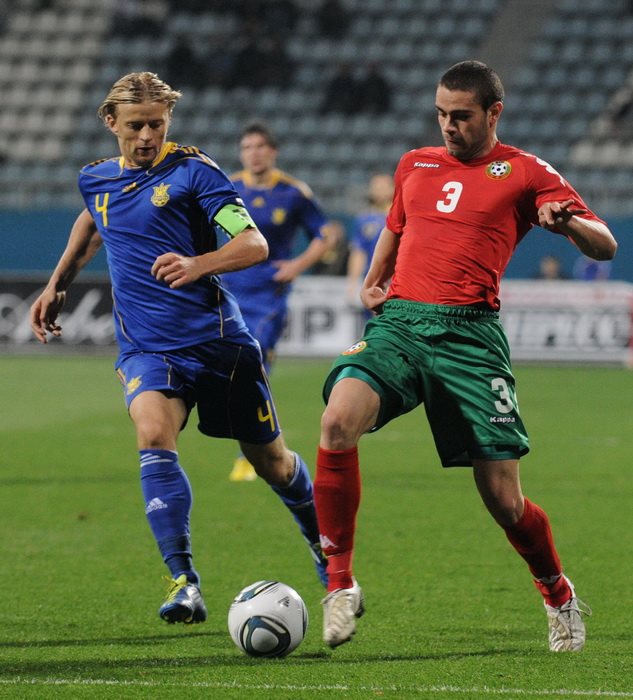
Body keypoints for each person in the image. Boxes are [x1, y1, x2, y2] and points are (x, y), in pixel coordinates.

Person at [313, 60, 617, 652]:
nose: (448, 126)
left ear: (494, 113)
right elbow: (397, 225)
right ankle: (340, 584)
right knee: (336, 421)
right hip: (401, 325)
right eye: (441, 115)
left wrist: (567, 225)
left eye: (461, 116)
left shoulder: (526, 172)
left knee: (503, 500)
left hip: (470, 339)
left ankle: (556, 591)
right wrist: (374, 277)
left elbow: (604, 244)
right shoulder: (415, 163)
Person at [29, 72, 328, 626]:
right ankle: (184, 581)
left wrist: (198, 264)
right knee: (152, 434)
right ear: (110, 122)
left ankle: (322, 544)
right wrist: (57, 283)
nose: (147, 136)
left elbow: (254, 243)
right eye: (136, 126)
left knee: (272, 463)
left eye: (157, 125)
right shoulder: (96, 178)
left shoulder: (195, 171)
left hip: (217, 345)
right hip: (146, 348)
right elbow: (93, 223)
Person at [223, 121, 331, 481]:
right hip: (228, 291)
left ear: (273, 152)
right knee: (225, 373)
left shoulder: (293, 192)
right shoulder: (228, 187)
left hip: (267, 296)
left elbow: (324, 235)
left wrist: (297, 265)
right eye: (247, 148)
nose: (253, 154)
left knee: (253, 366)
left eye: (259, 147)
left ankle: (252, 454)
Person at [346, 173, 394, 312]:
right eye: (375, 187)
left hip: (396, 280)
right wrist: (352, 283)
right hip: (371, 281)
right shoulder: (363, 219)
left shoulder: (403, 217)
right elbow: (358, 253)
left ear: (393, 189)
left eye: (383, 187)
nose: (379, 191)